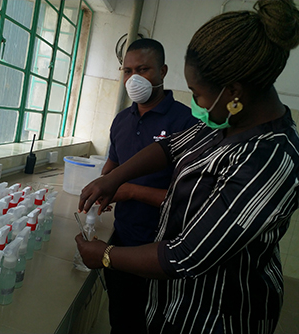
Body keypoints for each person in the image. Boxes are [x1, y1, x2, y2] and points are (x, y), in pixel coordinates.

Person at [76, 1, 299, 333]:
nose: (196, 104)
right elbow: (171, 146)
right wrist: (114, 178)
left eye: (198, 94)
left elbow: (186, 255)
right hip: (171, 297)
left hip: (214, 315)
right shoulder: (226, 121)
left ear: (234, 93)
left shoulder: (270, 161)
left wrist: (106, 256)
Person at [101, 38, 197, 334]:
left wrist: (130, 191)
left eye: (143, 69)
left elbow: (190, 197)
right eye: (127, 71)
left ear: (163, 71)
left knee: (152, 325)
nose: (134, 79)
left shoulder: (187, 123)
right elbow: (113, 164)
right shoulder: (121, 120)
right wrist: (104, 184)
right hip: (124, 237)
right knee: (121, 319)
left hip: (162, 248)